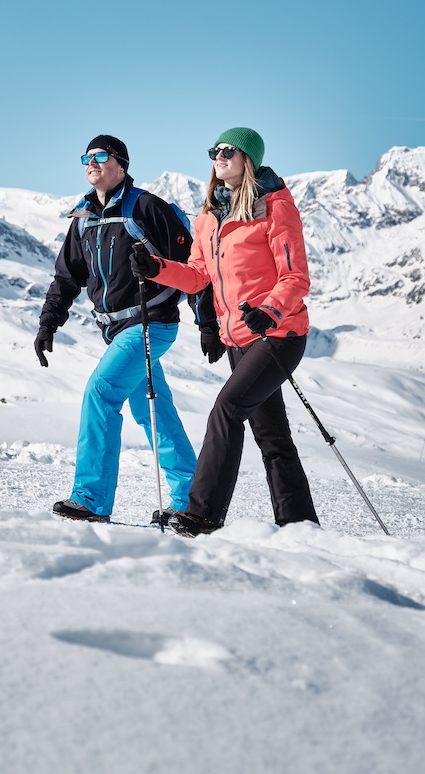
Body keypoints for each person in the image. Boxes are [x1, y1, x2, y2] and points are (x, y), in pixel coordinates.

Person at [130, 127, 320, 536]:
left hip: (279, 335)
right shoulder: (209, 217)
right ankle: (300, 525)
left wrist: (269, 311)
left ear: (248, 158)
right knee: (272, 436)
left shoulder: (275, 207)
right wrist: (157, 268)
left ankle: (202, 514)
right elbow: (199, 276)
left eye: (228, 150)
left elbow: (295, 277)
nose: (219, 155)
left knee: (228, 410)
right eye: (214, 150)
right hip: (238, 340)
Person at [35, 135, 201, 524]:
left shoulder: (146, 207)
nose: (91, 162)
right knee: (154, 408)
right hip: (114, 328)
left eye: (101, 156)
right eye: (86, 157)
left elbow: (193, 265)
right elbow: (67, 278)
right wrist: (48, 324)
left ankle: (90, 500)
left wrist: (206, 321)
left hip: (150, 321)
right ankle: (191, 498)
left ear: (121, 164)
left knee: (101, 392)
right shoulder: (83, 218)